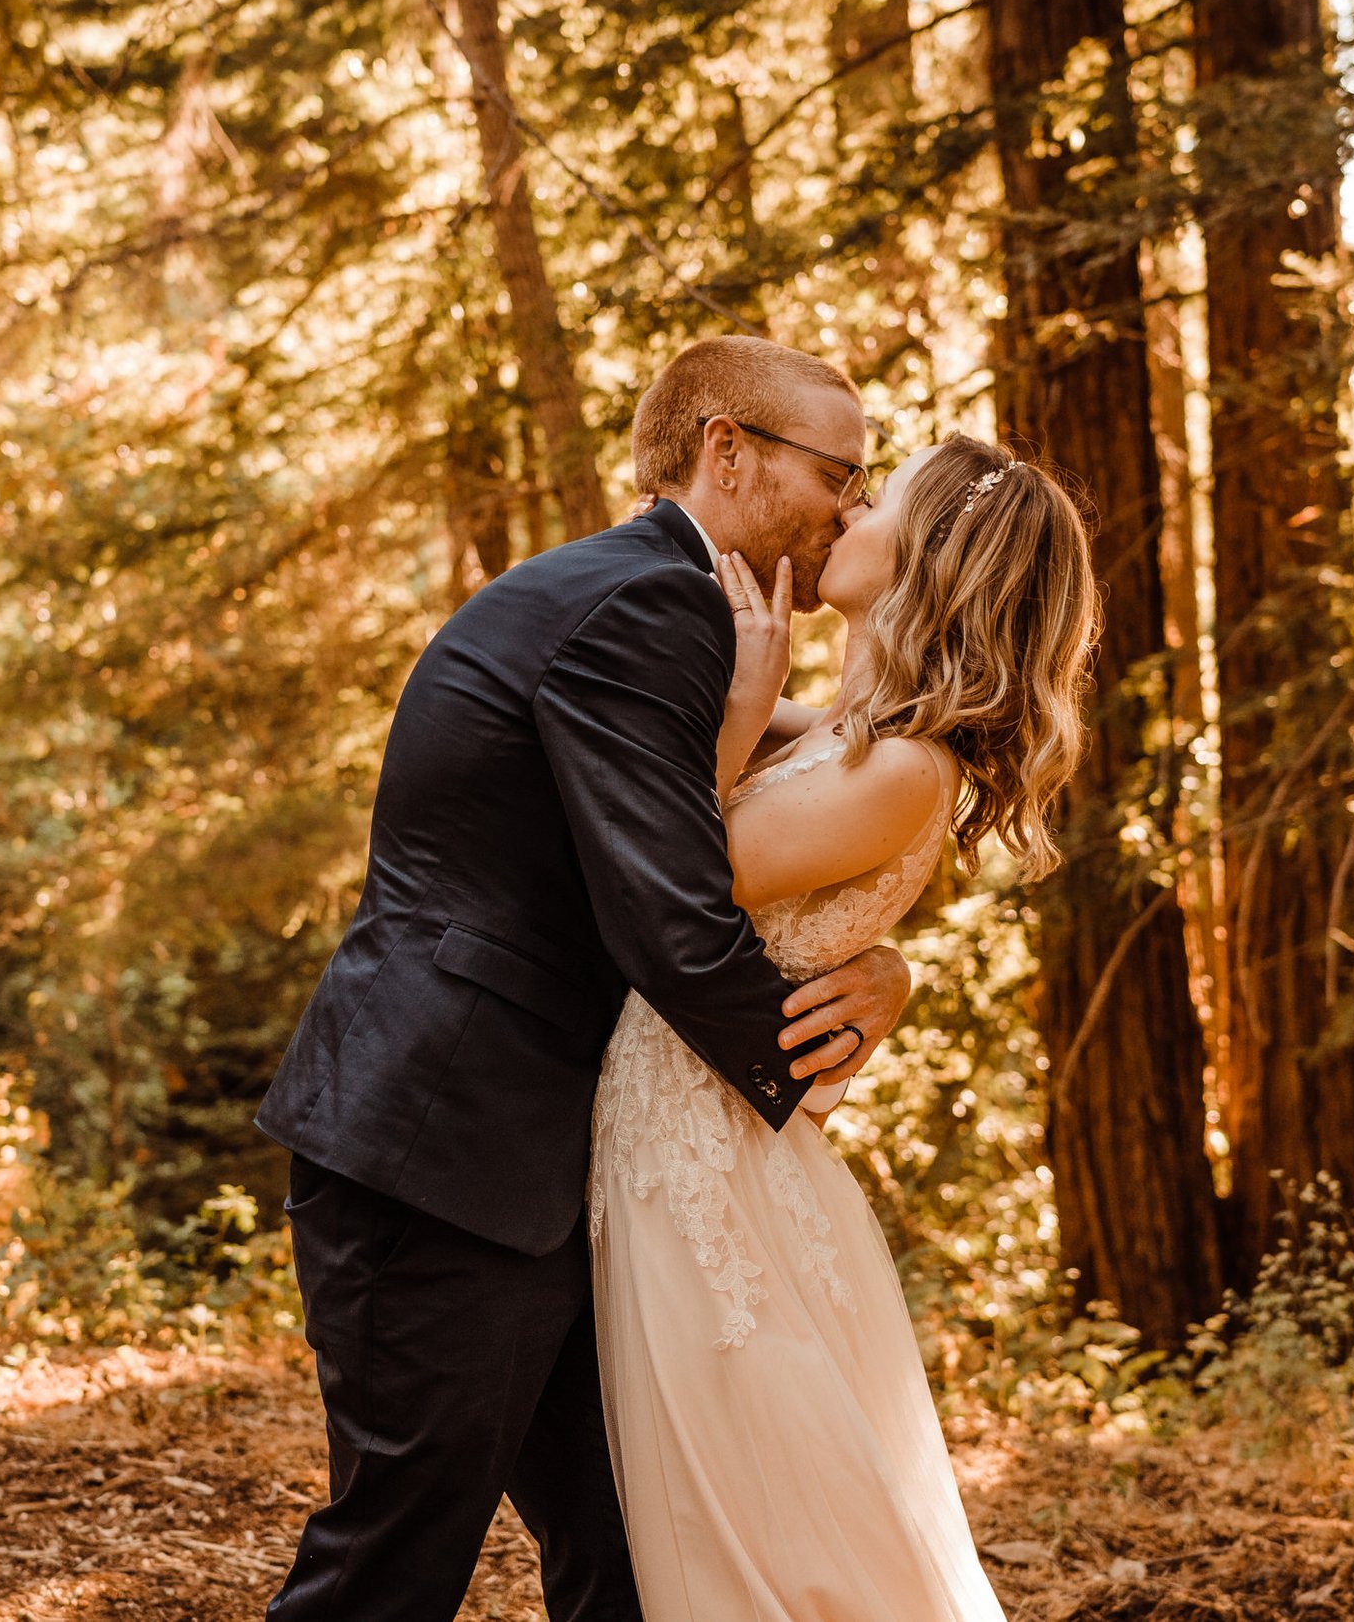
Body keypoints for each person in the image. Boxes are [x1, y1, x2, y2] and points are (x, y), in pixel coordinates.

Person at [251, 335, 917, 1622]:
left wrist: (877, 962)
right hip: (440, 1153)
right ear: (727, 449)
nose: (850, 501)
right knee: (392, 1560)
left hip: (536, 1171)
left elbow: (799, 817)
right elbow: (669, 914)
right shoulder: (648, 606)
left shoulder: (682, 614)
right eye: (841, 469)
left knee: (631, 1553)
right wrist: (796, 1085)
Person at [590, 430, 1098, 1621]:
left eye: (874, 500)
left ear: (929, 553)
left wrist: (737, 710)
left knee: (764, 1538)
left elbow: (673, 876)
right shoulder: (849, 734)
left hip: (706, 1170)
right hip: (678, 1150)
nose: (843, 514)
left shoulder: (905, 767)